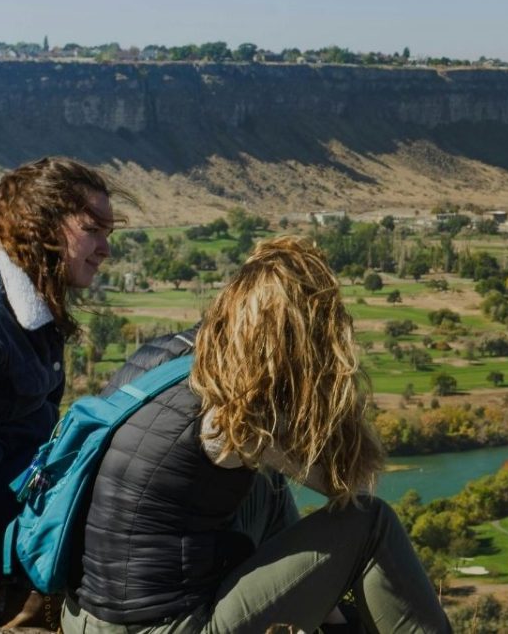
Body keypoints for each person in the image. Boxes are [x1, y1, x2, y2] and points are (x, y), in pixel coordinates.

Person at [63, 236, 452, 633]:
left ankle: (332, 622)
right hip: (159, 628)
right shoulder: (236, 407)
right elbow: (350, 481)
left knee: (268, 488)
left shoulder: (161, 355)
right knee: (371, 522)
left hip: (82, 616)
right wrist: (322, 382)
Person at [0, 157, 118, 611]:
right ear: (42, 227)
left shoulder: (30, 305)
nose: (105, 249)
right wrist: (7, 452)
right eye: (93, 230)